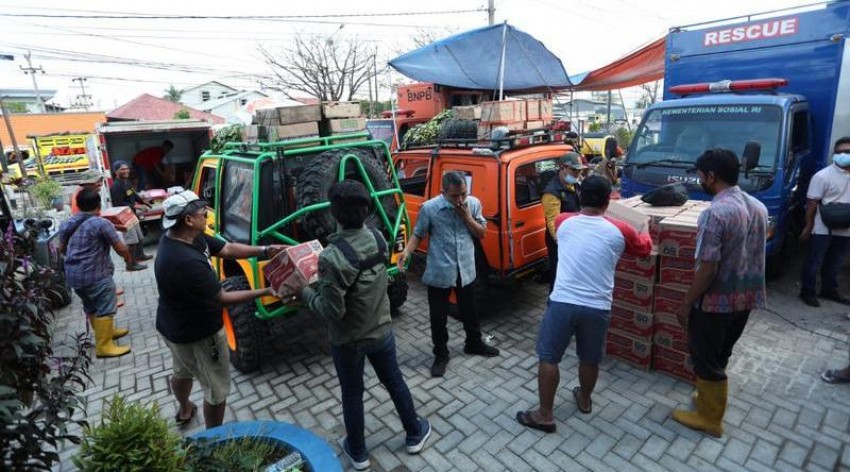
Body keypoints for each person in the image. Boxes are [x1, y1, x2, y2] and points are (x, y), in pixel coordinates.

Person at [301, 180, 431, 471]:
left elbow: (331, 311)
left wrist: (304, 290)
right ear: (366, 209)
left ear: (333, 213)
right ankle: (414, 433)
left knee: (352, 394)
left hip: (348, 341)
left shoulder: (331, 258)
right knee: (394, 381)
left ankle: (358, 453)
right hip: (382, 331)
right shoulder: (378, 238)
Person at [516, 175, 652, 433]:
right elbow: (644, 249)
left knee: (548, 358)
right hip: (597, 307)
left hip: (562, 302)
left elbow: (574, 223)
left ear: (580, 197)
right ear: (607, 202)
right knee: (589, 359)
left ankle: (545, 414)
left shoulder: (563, 222)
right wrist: (643, 228)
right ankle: (585, 399)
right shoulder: (620, 230)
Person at [154, 190, 285, 429]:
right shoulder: (185, 261)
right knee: (217, 389)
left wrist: (265, 250)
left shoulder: (187, 236)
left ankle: (184, 409)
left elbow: (227, 249)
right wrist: (266, 292)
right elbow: (221, 299)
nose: (207, 214)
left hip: (171, 325)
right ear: (188, 220)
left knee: (182, 371)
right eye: (202, 212)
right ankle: (214, 438)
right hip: (198, 332)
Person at [671, 148, 767, 438]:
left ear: (711, 177)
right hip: (746, 298)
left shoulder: (714, 213)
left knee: (705, 358)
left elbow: (708, 268)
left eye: (700, 175)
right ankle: (707, 400)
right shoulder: (758, 207)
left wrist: (686, 303)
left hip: (715, 303)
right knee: (721, 353)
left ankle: (709, 419)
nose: (699, 180)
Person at [397, 171, 499, 378]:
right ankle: (441, 354)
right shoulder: (430, 208)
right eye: (454, 196)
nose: (460, 200)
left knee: (470, 310)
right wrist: (406, 251)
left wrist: (467, 216)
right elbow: (418, 234)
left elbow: (481, 233)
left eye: (463, 193)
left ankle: (474, 343)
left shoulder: (473, 204)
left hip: (466, 268)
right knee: (438, 316)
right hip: (440, 270)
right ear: (443, 192)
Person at [58, 188, 136, 358]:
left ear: (78, 205)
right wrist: (128, 259)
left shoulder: (67, 223)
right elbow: (121, 248)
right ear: (99, 205)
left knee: (91, 305)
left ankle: (107, 333)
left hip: (74, 276)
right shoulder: (101, 223)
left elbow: (61, 248)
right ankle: (104, 346)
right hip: (96, 275)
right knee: (106, 307)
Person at [799, 137, 850, 307]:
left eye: (847, 152)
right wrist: (808, 227)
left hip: (846, 229)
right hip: (822, 228)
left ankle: (829, 290)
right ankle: (808, 291)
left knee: (835, 262)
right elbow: (812, 203)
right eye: (839, 152)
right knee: (814, 261)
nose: (843, 155)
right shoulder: (822, 176)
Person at [541, 152, 586, 292]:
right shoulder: (551, 193)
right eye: (574, 170)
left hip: (575, 236)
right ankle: (553, 302)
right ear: (563, 168)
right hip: (560, 242)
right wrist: (565, 245)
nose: (578, 174)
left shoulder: (575, 183)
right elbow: (553, 224)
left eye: (579, 171)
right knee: (558, 275)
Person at [110, 160, 152, 267]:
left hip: (132, 214)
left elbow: (133, 194)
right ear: (116, 172)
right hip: (124, 216)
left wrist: (143, 202)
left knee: (138, 236)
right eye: (122, 169)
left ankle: (140, 256)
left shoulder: (127, 182)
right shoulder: (116, 186)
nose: (126, 171)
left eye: (127, 168)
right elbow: (119, 204)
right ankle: (130, 264)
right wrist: (137, 206)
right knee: (132, 240)